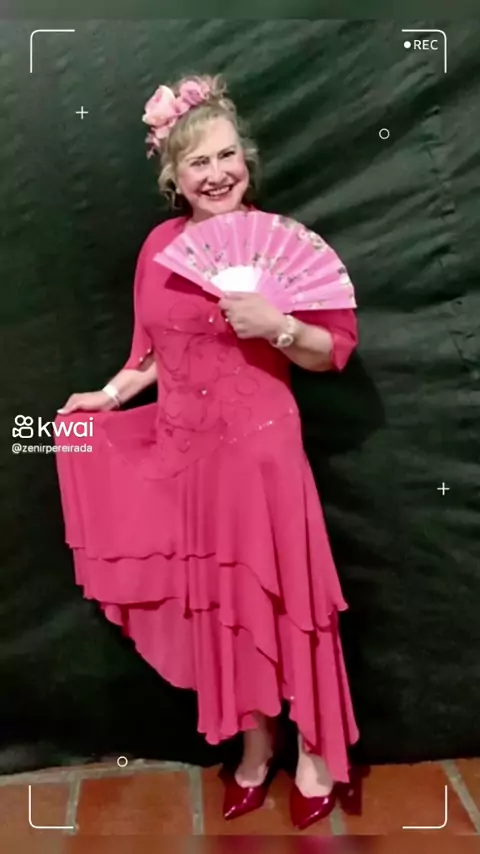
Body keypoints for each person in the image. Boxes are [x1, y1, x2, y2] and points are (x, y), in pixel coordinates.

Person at [54, 73, 360, 831]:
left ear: (245, 161)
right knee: (226, 606)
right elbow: (151, 352)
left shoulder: (278, 243)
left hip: (262, 453)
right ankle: (255, 746)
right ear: (174, 176)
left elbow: (331, 352)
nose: (218, 173)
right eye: (199, 162)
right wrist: (109, 396)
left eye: (228, 156)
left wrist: (277, 326)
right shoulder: (160, 248)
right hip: (188, 455)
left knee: (287, 602)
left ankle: (315, 751)